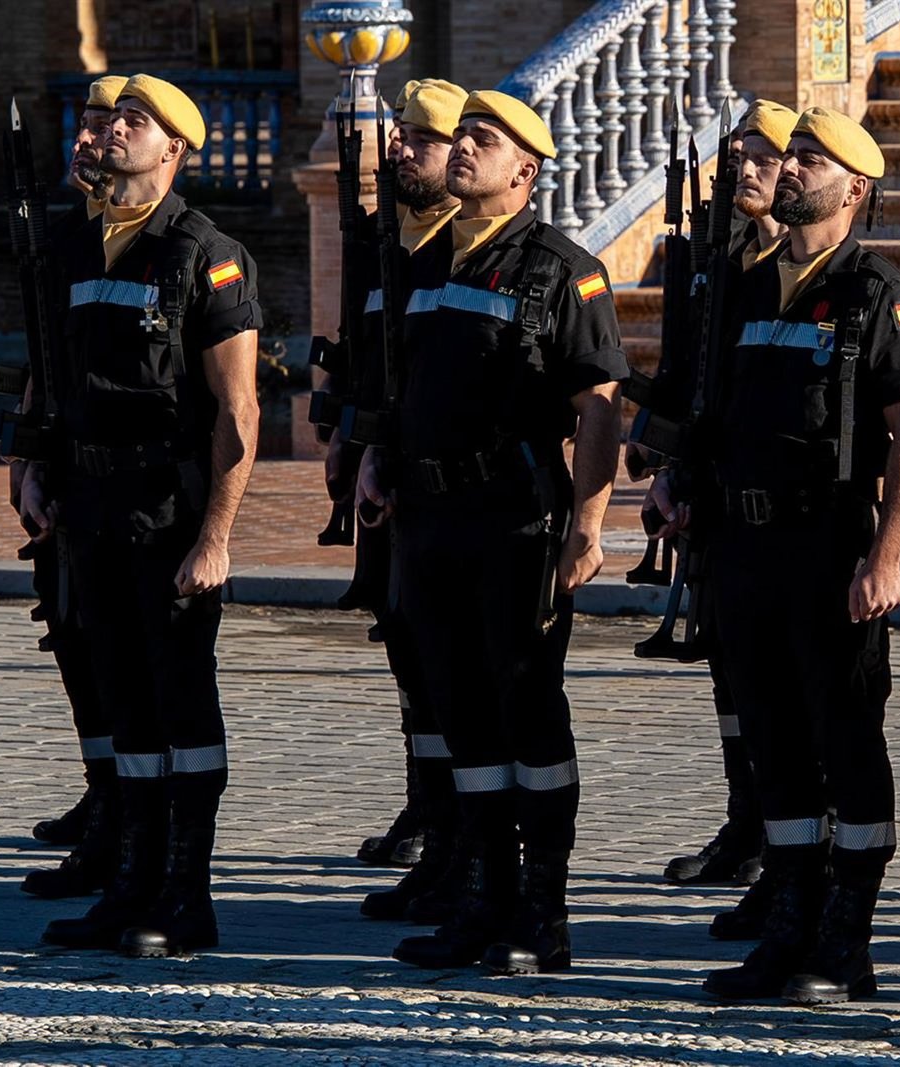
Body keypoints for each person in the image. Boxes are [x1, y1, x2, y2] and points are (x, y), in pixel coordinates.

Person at [653, 108, 900, 1004]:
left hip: (829, 547)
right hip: (743, 548)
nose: (790, 168)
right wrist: (679, 481)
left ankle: (846, 941)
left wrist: (887, 554)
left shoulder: (877, 290)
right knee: (773, 744)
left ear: (854, 188)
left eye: (812, 160)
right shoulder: (746, 285)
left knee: (845, 743)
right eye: (794, 156)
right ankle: (787, 924)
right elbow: (713, 405)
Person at [357, 89, 626, 974]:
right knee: (461, 712)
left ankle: (543, 912)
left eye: (485, 139)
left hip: (516, 519)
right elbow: (406, 383)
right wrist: (380, 456)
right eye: (462, 135)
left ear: (526, 170)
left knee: (527, 713)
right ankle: (484, 895)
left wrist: (588, 526)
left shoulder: (563, 269)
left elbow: (598, 406)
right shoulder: (428, 262)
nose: (464, 149)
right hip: (430, 520)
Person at [22, 73, 261, 958]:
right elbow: (54, 370)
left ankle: (185, 895)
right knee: (122, 701)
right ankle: (128, 882)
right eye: (114, 117)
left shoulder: (206, 253)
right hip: (91, 506)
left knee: (179, 704)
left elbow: (238, 410)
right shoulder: (79, 248)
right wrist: (35, 466)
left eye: (137, 120)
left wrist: (216, 537)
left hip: (167, 509)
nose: (116, 130)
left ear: (175, 148)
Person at [337, 79, 479, 923]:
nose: (402, 150)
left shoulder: (463, 252)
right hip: (384, 481)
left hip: (452, 493)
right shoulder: (382, 241)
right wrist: (346, 438)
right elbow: (362, 356)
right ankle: (427, 804)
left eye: (420, 140)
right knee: (406, 654)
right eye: (401, 136)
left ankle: (463, 831)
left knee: (455, 670)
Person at [662, 99, 797, 897]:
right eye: (739, 156)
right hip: (715, 494)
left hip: (784, 503)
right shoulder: (720, 255)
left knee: (786, 687)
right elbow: (689, 368)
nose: (745, 169)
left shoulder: (806, 266)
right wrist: (669, 466)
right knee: (728, 671)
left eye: (764, 158)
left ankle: (787, 843)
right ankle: (744, 821)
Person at [16, 74, 130, 901]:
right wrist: (25, 457)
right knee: (70, 631)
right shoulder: (64, 238)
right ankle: (102, 785)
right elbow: (42, 355)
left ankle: (128, 807)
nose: (87, 139)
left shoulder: (158, 243)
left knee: (117, 647)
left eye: (103, 125)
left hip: (128, 481)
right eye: (85, 124)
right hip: (65, 465)